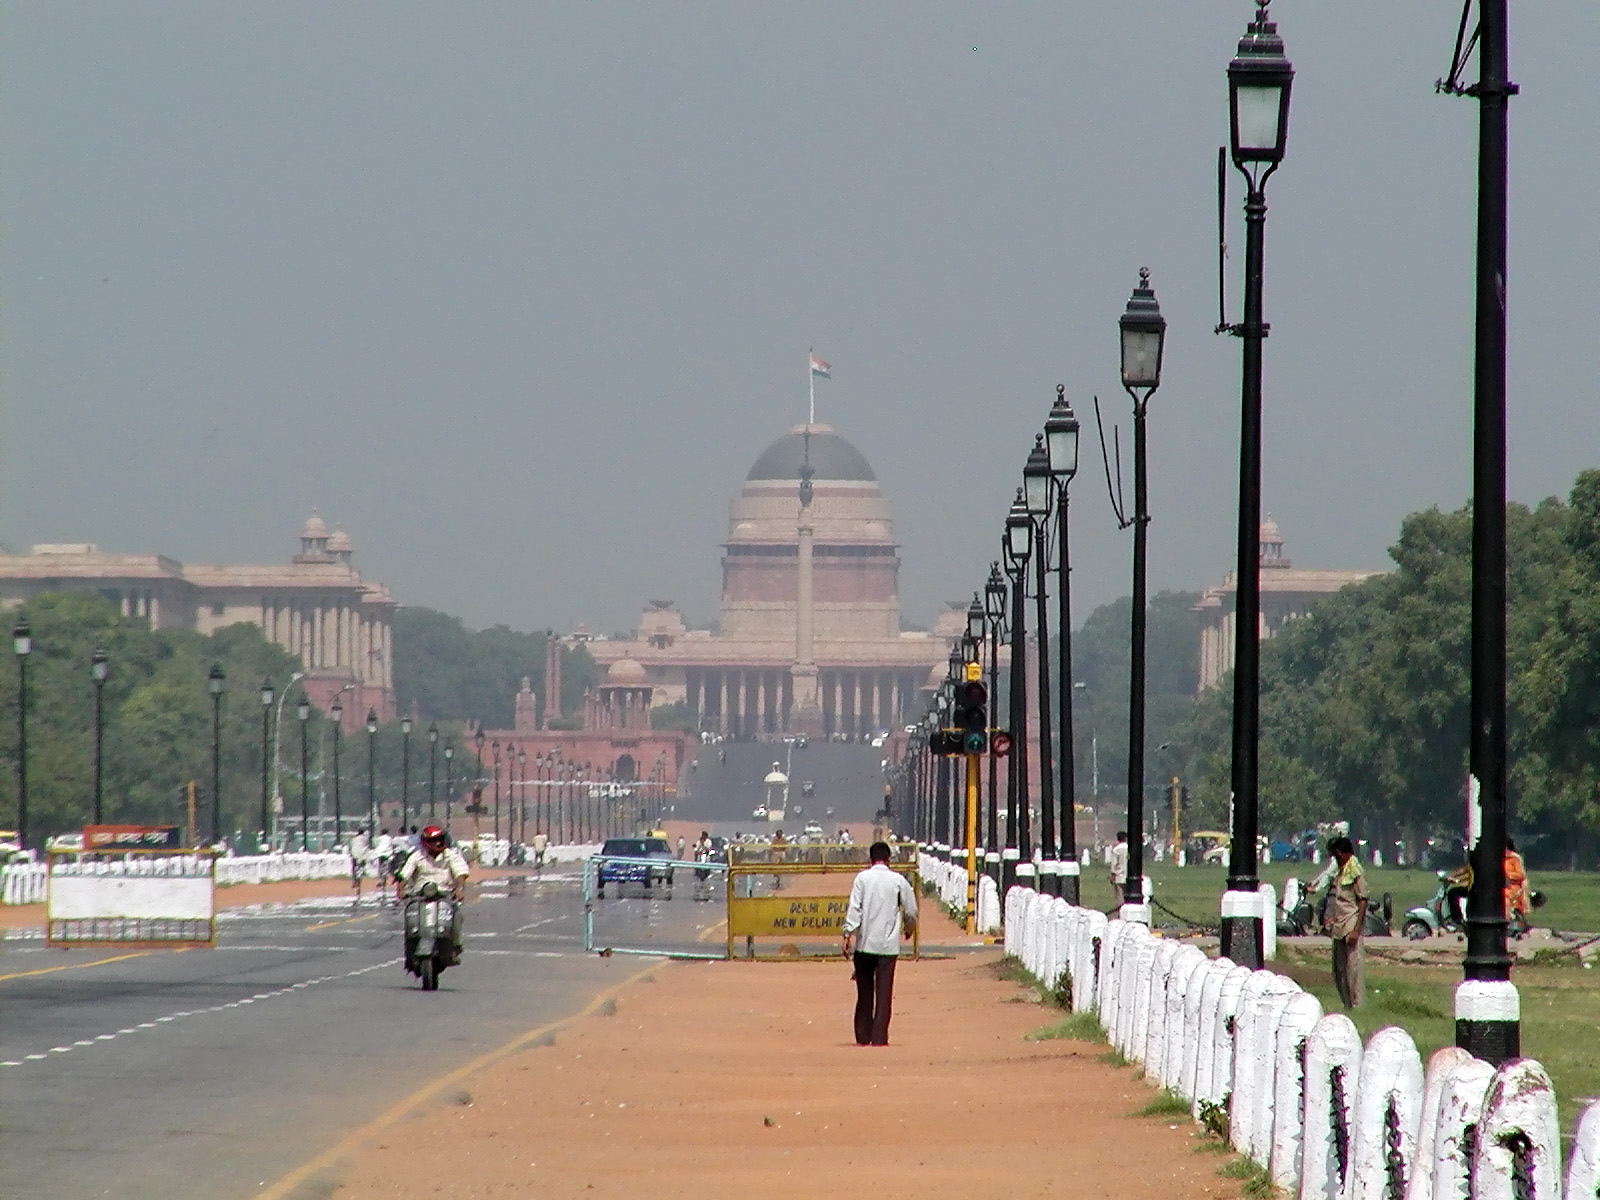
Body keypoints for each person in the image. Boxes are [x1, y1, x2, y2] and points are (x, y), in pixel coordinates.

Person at [841, 841, 918, 1046]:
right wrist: (908, 930)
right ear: (889, 859)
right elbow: (911, 910)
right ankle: (879, 1037)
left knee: (865, 993)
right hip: (888, 946)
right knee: (884, 994)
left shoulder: (862, 879)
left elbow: (854, 910)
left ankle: (863, 1035)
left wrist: (847, 935)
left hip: (864, 944)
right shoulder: (898, 881)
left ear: (870, 859)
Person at [396, 825, 470, 963]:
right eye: (433, 840)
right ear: (425, 842)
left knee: (457, 915)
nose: (437, 843)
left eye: (439, 839)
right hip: (419, 895)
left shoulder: (450, 855)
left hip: (445, 894)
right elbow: (404, 874)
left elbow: (460, 873)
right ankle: (410, 947)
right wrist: (401, 889)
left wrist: (459, 889)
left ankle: (455, 946)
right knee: (410, 915)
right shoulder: (417, 856)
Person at [1323, 836, 1369, 1009]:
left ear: (1343, 853)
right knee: (1338, 969)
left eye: (1336, 855)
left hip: (1351, 923)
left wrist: (1356, 930)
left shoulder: (1355, 870)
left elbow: (1363, 900)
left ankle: (1356, 1005)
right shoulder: (1342, 871)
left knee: (1353, 970)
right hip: (1339, 925)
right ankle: (1346, 1003)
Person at [1109, 831, 1130, 906]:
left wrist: (1112, 875)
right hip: (1129, 875)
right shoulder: (1129, 848)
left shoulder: (1116, 849)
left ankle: (1120, 912)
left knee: (1119, 897)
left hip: (1119, 875)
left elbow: (1114, 864)